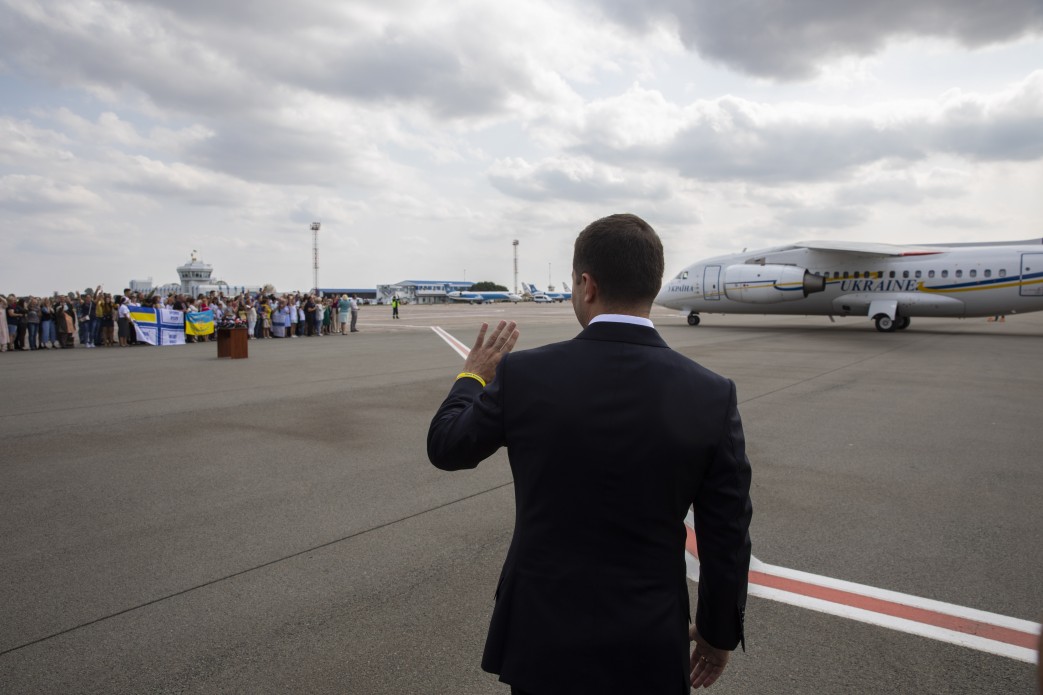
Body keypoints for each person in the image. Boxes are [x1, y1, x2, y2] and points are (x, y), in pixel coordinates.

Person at [428, 214, 753, 694]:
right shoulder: (711, 394)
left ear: (586, 284)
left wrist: (472, 376)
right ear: (654, 283)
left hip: (542, 634)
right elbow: (727, 536)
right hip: (649, 635)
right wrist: (717, 634)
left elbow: (447, 448)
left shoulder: (525, 375)